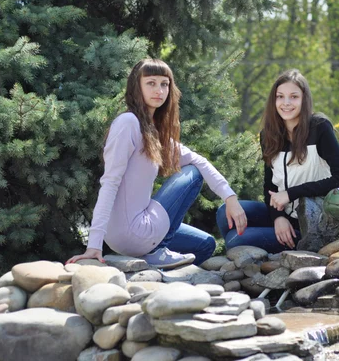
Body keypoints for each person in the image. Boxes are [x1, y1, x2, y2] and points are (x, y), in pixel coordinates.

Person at [66, 58, 247, 268]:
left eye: (164, 84)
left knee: (205, 245)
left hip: (136, 229)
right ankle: (157, 250)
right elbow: (110, 182)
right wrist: (94, 245)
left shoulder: (153, 132)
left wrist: (230, 198)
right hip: (131, 230)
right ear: (137, 87)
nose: (159, 90)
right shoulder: (128, 123)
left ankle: (164, 267)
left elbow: (200, 159)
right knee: (193, 174)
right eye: (151, 83)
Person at [216, 69, 339, 253]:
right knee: (225, 214)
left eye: (293, 97)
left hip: (313, 224)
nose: (286, 103)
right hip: (283, 215)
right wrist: (278, 218)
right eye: (280, 96)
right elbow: (269, 187)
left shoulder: (319, 128)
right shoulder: (269, 135)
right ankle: (257, 261)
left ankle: (290, 253)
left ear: (304, 99)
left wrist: (290, 193)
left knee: (235, 241)